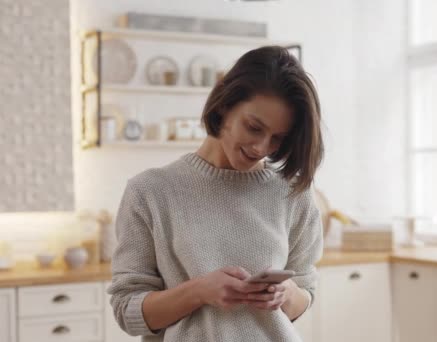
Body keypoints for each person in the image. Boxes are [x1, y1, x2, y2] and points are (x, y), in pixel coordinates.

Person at [107, 45, 324, 342]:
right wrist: (198, 292)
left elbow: (305, 293)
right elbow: (126, 311)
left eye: (277, 138)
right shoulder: (150, 192)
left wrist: (286, 294)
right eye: (254, 127)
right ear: (224, 105)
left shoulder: (293, 193)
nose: (262, 148)